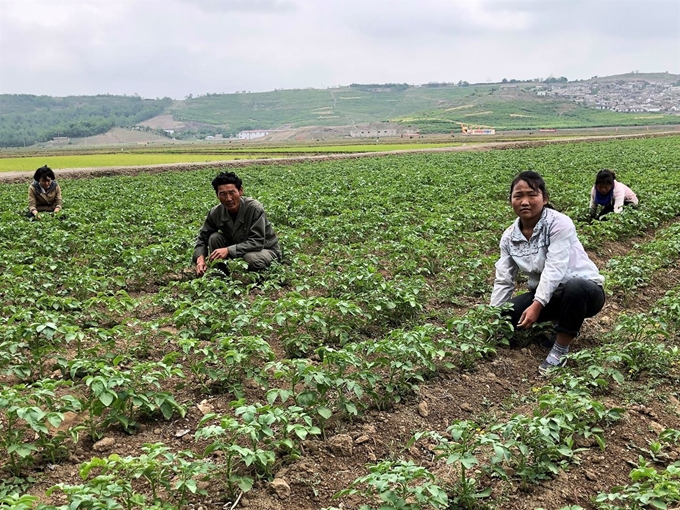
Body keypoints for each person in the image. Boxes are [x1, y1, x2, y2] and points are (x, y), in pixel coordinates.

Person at [490, 171, 605, 373]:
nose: (525, 201)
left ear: (544, 198)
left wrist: (537, 305)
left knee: (574, 287)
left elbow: (555, 268)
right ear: (511, 200)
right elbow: (504, 280)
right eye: (518, 196)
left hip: (586, 292)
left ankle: (560, 348)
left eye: (532, 195)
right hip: (550, 296)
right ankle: (557, 320)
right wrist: (491, 318)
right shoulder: (509, 237)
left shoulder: (559, 223)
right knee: (507, 315)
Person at [193, 171, 281, 277]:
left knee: (250, 259)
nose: (228, 198)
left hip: (264, 250)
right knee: (214, 238)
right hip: (239, 249)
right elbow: (202, 238)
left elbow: (257, 241)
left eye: (232, 192)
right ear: (217, 195)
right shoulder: (216, 212)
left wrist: (229, 250)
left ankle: (258, 280)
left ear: (240, 191)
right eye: (223, 194)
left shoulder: (254, 208)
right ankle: (220, 275)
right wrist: (200, 258)